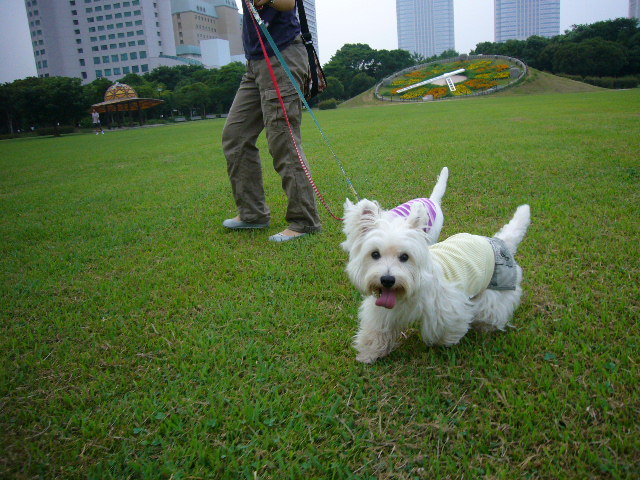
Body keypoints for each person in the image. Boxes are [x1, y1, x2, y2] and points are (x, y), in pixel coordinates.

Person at [221, 0, 321, 242]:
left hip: (281, 55)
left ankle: (304, 221)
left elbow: (287, 3)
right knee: (235, 137)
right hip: (254, 63)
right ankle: (252, 214)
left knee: (283, 141)